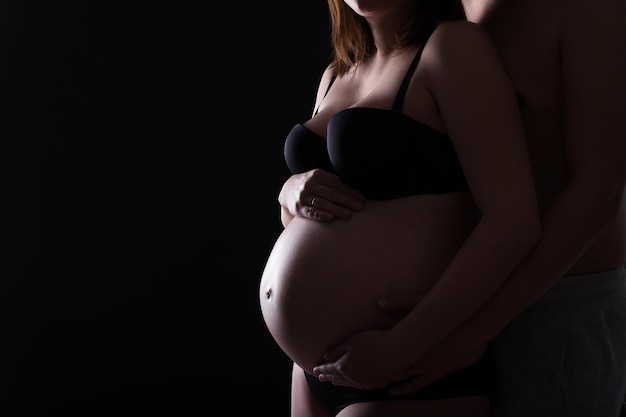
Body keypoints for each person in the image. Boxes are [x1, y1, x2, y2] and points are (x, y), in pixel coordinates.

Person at [284, 0, 626, 416]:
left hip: (546, 304)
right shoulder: (430, 18)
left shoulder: (584, 9)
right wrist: (292, 190)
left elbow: (599, 189)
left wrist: (467, 332)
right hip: (422, 308)